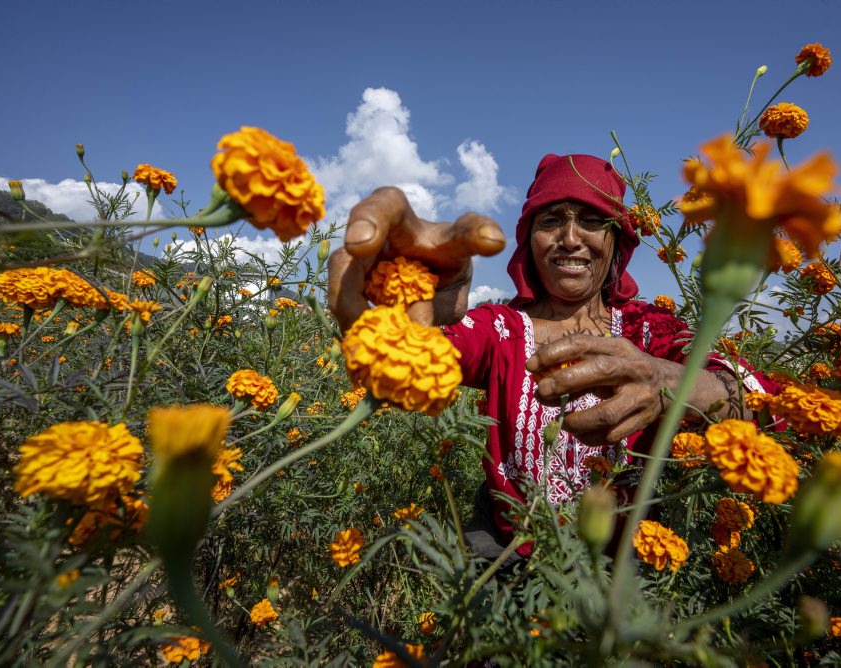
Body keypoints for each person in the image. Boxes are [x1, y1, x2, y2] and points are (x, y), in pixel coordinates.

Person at [328, 153, 775, 561]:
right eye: (551, 220)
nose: (569, 238)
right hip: (506, 561)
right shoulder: (499, 328)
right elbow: (417, 355)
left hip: (620, 571)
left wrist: (667, 381)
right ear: (529, 243)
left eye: (592, 220)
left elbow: (765, 401)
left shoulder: (649, 331)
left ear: (618, 240)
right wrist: (402, 298)